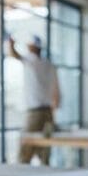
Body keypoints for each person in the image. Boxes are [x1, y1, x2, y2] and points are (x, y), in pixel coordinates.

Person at [8, 35, 60, 165]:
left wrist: (10, 43)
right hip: (48, 112)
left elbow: (13, 54)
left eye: (28, 45)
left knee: (24, 152)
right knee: (44, 153)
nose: (27, 47)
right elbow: (56, 92)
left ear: (33, 47)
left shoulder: (31, 61)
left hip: (34, 113)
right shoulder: (49, 65)